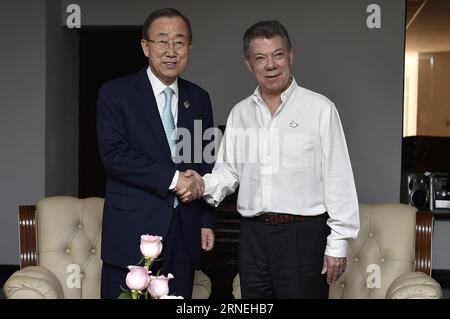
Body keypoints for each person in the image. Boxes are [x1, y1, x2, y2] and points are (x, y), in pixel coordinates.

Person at [177, 20, 360, 298]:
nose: (270, 65)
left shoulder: (320, 109)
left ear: (290, 56)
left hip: (303, 235)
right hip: (253, 236)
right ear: (249, 64)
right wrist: (202, 184)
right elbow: (229, 172)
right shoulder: (240, 113)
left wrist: (338, 243)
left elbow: (338, 177)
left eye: (278, 55)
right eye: (260, 58)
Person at [97, 8, 215, 299]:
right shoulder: (115, 94)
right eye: (163, 41)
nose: (171, 51)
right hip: (131, 230)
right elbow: (114, 155)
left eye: (179, 42)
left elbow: (205, 161)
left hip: (183, 231)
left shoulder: (198, 98)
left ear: (189, 47)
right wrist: (174, 179)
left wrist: (205, 221)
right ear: (145, 46)